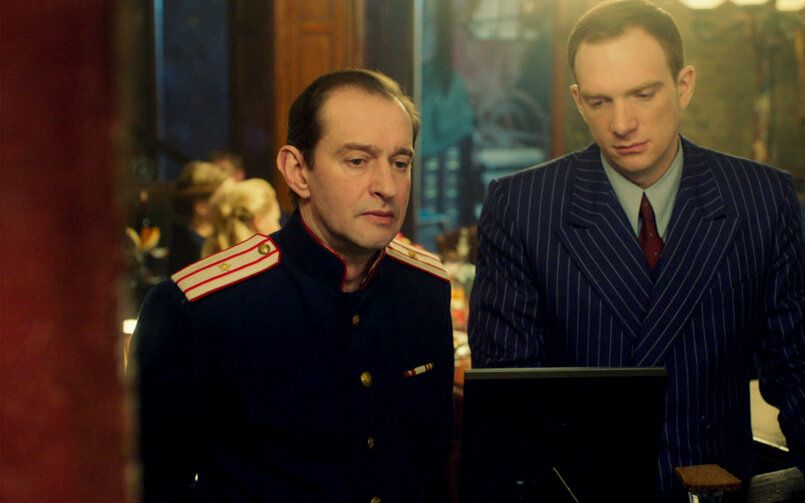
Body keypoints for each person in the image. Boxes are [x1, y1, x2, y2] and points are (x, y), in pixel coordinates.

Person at [468, 0, 805, 499]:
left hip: (714, 491)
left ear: (683, 85)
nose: (622, 123)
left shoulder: (761, 199)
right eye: (600, 102)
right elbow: (512, 402)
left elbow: (797, 371)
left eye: (643, 95)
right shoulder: (522, 207)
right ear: (578, 101)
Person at [133, 69, 454, 502]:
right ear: (298, 171)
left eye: (400, 163)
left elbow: (432, 466)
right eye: (357, 161)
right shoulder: (199, 307)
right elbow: (149, 485)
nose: (387, 187)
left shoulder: (425, 288)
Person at [167, 160, 232, 273]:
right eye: (225, 198)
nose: (233, 203)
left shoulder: (213, 240)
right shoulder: (196, 252)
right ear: (202, 208)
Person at [201, 178, 282, 257]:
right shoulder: (276, 262)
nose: (279, 227)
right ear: (258, 223)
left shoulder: (210, 260)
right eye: (276, 220)